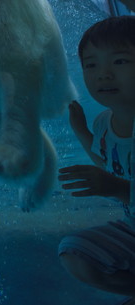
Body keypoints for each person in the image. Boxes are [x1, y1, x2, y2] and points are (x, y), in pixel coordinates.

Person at [58, 15, 135, 305]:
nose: (103, 74)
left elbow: (115, 180)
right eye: (91, 65)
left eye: (119, 62)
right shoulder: (104, 123)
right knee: (76, 254)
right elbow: (108, 163)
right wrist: (81, 130)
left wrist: (116, 188)